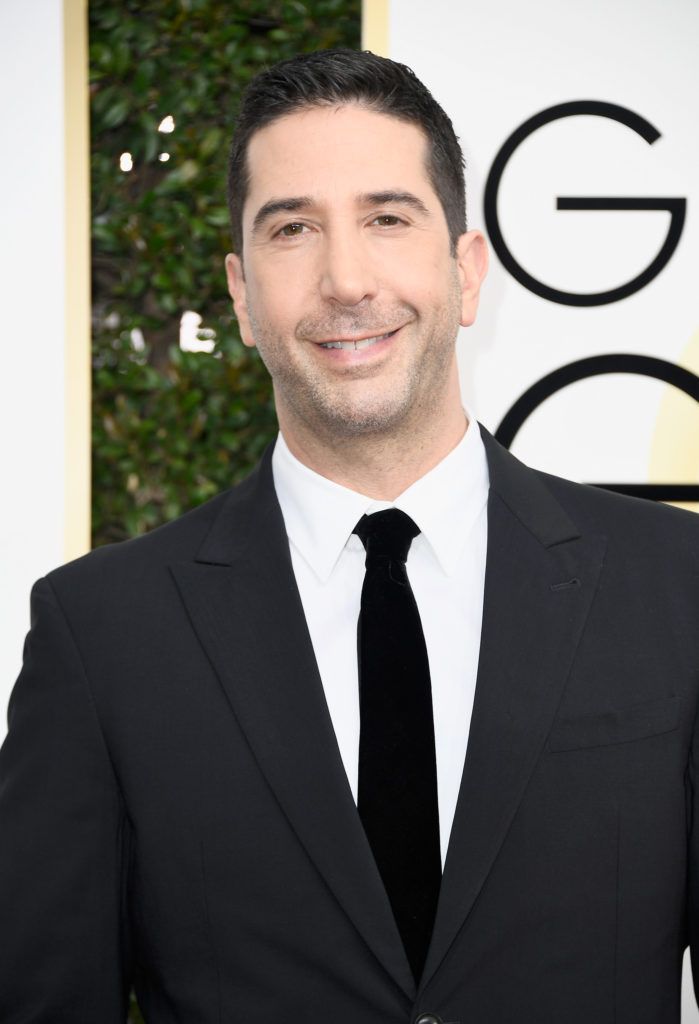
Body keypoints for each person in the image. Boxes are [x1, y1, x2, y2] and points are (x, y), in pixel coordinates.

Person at [1, 48, 698, 1024]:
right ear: (241, 296)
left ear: (465, 270)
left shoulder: (676, 587)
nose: (344, 278)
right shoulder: (100, 633)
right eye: (292, 229)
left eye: (386, 218)